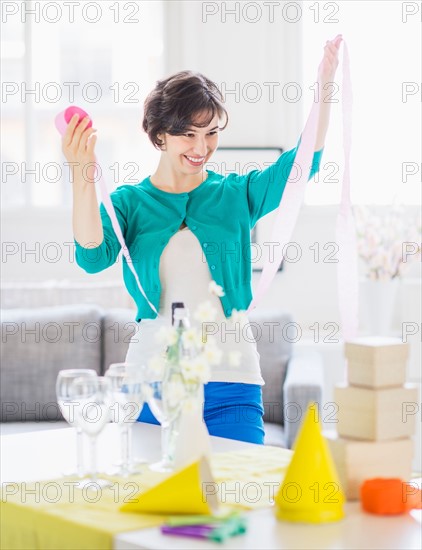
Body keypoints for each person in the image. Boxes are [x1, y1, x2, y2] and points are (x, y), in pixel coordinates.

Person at [63, 36, 342, 444]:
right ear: (159, 135)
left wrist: (324, 86)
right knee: (156, 504)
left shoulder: (235, 195)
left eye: (210, 133)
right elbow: (91, 256)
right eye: (188, 135)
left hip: (232, 384)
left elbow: (302, 164)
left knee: (235, 500)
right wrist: (82, 174)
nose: (201, 148)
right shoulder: (131, 203)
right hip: (150, 386)